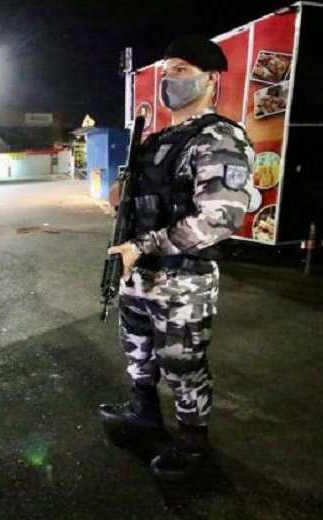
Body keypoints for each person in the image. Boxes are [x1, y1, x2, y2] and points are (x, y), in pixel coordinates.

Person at [96, 35, 254, 480]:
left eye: (182, 70)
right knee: (138, 354)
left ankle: (192, 449)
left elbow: (219, 220)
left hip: (183, 282)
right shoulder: (159, 139)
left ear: (211, 79)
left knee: (183, 368)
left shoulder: (219, 138)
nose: (170, 80)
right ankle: (144, 414)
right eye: (167, 72)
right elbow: (132, 201)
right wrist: (121, 193)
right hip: (138, 276)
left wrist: (142, 246)